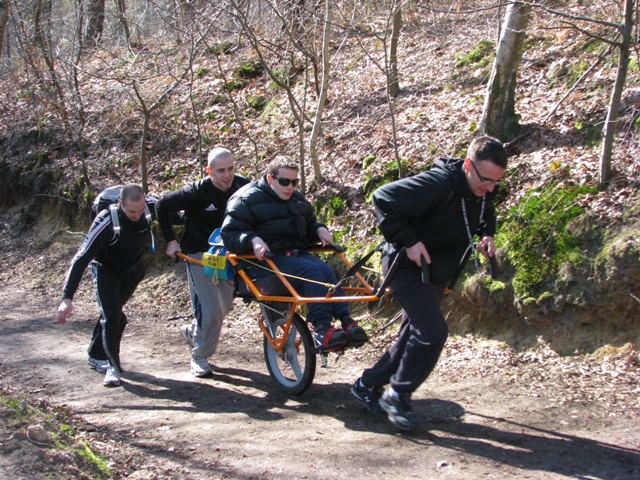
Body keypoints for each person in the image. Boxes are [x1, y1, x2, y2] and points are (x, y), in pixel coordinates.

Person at [351, 136, 508, 430]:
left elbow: (485, 208)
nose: (490, 188)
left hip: (436, 272)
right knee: (433, 332)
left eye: (496, 182)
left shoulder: (483, 187)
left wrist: (487, 233)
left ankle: (367, 384)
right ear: (467, 165)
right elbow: (383, 198)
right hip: (406, 267)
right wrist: (409, 241)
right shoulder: (437, 183)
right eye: (486, 180)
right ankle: (397, 395)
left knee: (414, 333)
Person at [221, 156, 368, 350]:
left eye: (294, 182)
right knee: (312, 272)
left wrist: (319, 230)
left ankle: (346, 320)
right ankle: (322, 328)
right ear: (271, 178)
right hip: (263, 264)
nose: (290, 186)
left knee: (328, 271)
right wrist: (252, 239)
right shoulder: (245, 199)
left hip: (294, 256)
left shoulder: (296, 199)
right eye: (284, 181)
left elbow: (308, 226)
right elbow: (230, 233)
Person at [155, 147, 250, 377]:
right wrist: (171, 241)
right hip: (198, 254)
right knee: (210, 310)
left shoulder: (243, 186)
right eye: (220, 171)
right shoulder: (196, 191)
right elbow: (161, 205)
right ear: (209, 171)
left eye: (230, 169)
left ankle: (193, 332)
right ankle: (199, 356)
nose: (226, 175)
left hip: (226, 256)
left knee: (223, 307)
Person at [57, 184, 154, 387]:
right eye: (131, 211)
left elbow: (176, 210)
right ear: (120, 204)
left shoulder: (150, 207)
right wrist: (67, 298)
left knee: (113, 315)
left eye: (140, 209)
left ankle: (95, 354)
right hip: (106, 271)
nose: (137, 215)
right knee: (112, 317)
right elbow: (81, 258)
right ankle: (113, 367)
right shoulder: (107, 221)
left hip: (133, 272)